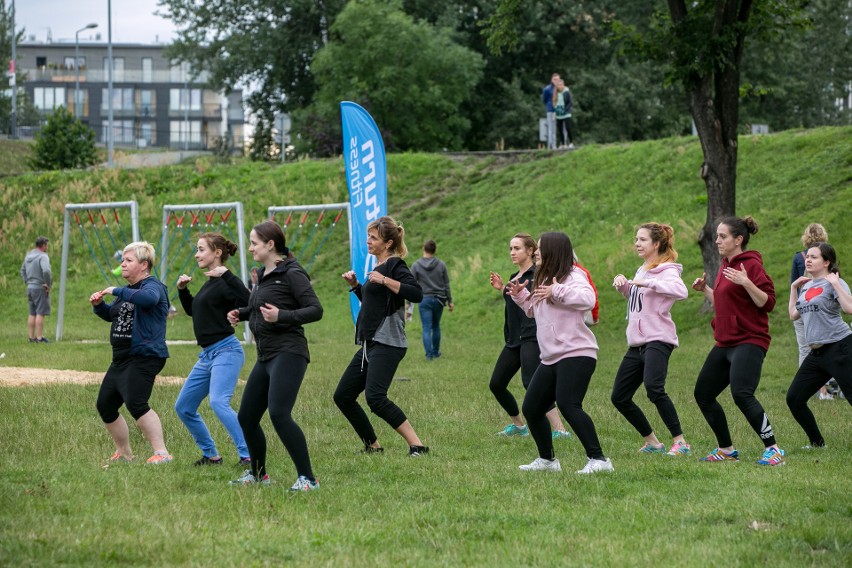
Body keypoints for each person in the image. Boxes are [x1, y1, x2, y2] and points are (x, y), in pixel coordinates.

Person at [227, 221, 323, 491]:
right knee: (246, 417)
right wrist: (242, 313)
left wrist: (283, 316)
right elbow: (259, 307)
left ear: (271, 244)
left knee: (280, 414)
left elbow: (315, 309)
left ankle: (308, 479)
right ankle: (258, 475)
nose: (250, 247)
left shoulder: (292, 273)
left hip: (289, 352)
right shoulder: (261, 274)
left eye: (254, 243)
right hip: (266, 355)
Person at [507, 232, 613, 474]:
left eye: (541, 249)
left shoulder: (574, 275)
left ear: (554, 250)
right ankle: (548, 461)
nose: (536, 252)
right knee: (532, 407)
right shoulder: (544, 277)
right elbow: (535, 312)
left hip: (577, 352)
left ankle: (599, 460)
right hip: (552, 356)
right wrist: (521, 296)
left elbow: (587, 298)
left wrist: (557, 291)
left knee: (568, 404)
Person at [691, 216, 785, 466]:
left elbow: (768, 303)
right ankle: (726, 449)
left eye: (723, 236)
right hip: (725, 341)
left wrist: (746, 282)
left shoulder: (751, 265)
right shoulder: (725, 265)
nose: (717, 240)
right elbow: (727, 302)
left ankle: (774, 449)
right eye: (717, 236)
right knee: (703, 393)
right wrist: (706, 291)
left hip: (750, 339)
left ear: (738, 240)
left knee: (742, 393)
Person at [334, 216, 428, 456]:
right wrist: (357, 287)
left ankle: (417, 445)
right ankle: (373, 446)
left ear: (387, 244)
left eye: (373, 237)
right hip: (371, 343)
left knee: (375, 397)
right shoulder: (376, 268)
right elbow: (375, 304)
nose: (368, 241)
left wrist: (385, 280)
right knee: (343, 395)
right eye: (368, 236)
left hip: (389, 342)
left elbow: (416, 294)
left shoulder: (395, 265)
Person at [611, 223, 691, 456]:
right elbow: (638, 298)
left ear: (656, 244)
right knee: (619, 397)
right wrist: (624, 285)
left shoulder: (667, 269)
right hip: (637, 343)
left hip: (658, 338)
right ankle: (654, 443)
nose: (637, 243)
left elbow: (681, 291)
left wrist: (648, 282)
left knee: (654, 389)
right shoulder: (643, 268)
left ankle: (681, 442)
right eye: (636, 239)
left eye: (643, 240)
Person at [89, 241, 173, 464]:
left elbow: (149, 300)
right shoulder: (128, 292)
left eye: (128, 261)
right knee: (105, 405)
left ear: (144, 265)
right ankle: (125, 454)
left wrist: (116, 290)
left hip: (144, 356)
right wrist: (99, 306)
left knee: (136, 403)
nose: (123, 265)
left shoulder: (153, 286)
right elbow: (114, 314)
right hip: (121, 358)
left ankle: (162, 454)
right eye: (122, 260)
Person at [174, 233, 251, 467]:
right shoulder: (210, 283)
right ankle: (211, 455)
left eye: (201, 249)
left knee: (218, 402)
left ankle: (248, 454)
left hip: (226, 351)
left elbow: (250, 300)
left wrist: (227, 275)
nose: (197, 254)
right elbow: (195, 311)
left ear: (217, 253)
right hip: (207, 355)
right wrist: (183, 291)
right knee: (184, 407)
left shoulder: (226, 282)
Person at [489, 233, 571, 439]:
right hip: (513, 339)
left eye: (516, 248)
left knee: (531, 382)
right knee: (497, 384)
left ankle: (560, 429)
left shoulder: (538, 275)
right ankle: (518, 425)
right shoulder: (513, 277)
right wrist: (502, 289)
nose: (512, 252)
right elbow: (516, 301)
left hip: (532, 336)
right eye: (510, 248)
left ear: (530, 251)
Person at [786, 242, 852, 448]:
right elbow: (793, 314)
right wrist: (793, 288)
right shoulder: (806, 286)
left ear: (827, 262)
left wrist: (835, 283)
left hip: (840, 347)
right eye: (808, 256)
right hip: (816, 354)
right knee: (794, 399)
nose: (808, 260)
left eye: (814, 257)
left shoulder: (835, 282)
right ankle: (817, 443)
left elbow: (849, 308)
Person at [789, 223, 837, 400]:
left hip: (803, 307)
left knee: (804, 349)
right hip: (823, 308)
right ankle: (828, 390)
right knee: (829, 347)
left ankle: (808, 389)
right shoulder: (827, 256)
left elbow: (794, 284)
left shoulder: (798, 257)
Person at [410, 239, 454, 360]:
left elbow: (411, 284)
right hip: (440, 300)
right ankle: (435, 352)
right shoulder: (441, 265)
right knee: (436, 326)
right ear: (435, 250)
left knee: (426, 328)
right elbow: (446, 285)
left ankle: (429, 355)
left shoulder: (416, 265)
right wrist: (450, 301)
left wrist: (408, 302)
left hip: (424, 299)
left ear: (423, 248)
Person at [21, 236, 52, 343]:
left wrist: (27, 281)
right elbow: (47, 271)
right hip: (39, 287)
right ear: (43, 245)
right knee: (40, 312)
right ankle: (39, 338)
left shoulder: (28, 255)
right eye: (46, 245)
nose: (47, 247)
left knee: (32, 313)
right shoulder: (43, 256)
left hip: (30, 287)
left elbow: (22, 270)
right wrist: (47, 284)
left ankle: (31, 337)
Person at [553, 77, 575, 150]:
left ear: (563, 85)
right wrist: (555, 110)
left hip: (566, 113)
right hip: (559, 113)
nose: (559, 86)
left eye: (561, 85)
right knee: (560, 129)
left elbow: (570, 102)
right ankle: (563, 143)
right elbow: (554, 102)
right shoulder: (555, 93)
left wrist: (566, 110)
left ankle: (571, 142)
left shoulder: (566, 92)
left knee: (568, 128)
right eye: (558, 85)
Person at [541, 73, 559, 150]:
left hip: (558, 110)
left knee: (557, 128)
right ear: (552, 80)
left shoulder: (560, 88)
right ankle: (552, 145)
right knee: (551, 129)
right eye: (555, 79)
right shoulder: (547, 89)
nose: (556, 81)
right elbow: (544, 99)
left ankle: (555, 144)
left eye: (558, 79)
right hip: (550, 110)